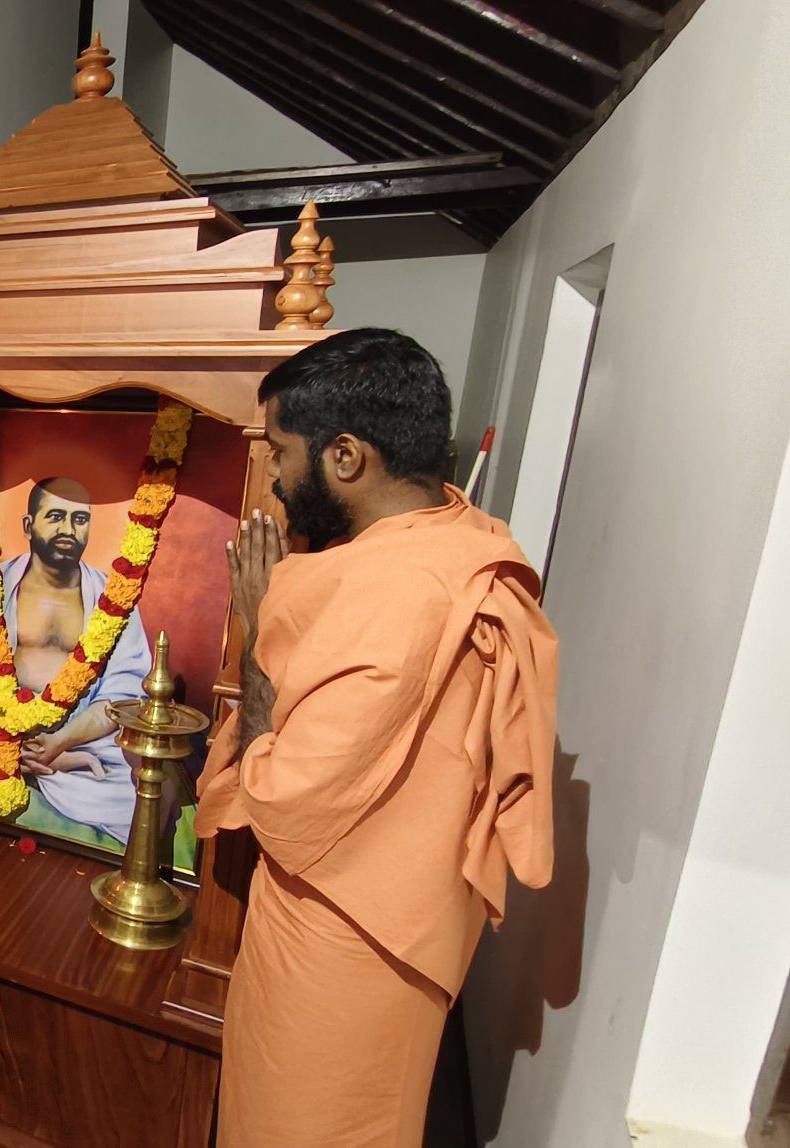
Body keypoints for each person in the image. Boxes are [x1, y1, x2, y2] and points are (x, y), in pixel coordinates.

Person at [197, 328, 556, 1148]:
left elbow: (282, 798)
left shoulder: (398, 599)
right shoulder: (454, 532)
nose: (275, 476)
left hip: (346, 947)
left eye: (281, 452)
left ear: (346, 457)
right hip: (387, 910)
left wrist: (257, 625)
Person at [0, 476, 160, 848]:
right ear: (28, 525)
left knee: (138, 794)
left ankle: (35, 766)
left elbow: (123, 693)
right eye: (55, 516)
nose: (68, 528)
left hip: (80, 735)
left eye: (79, 519)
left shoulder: (117, 601)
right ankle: (40, 767)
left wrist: (62, 741)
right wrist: (7, 731)